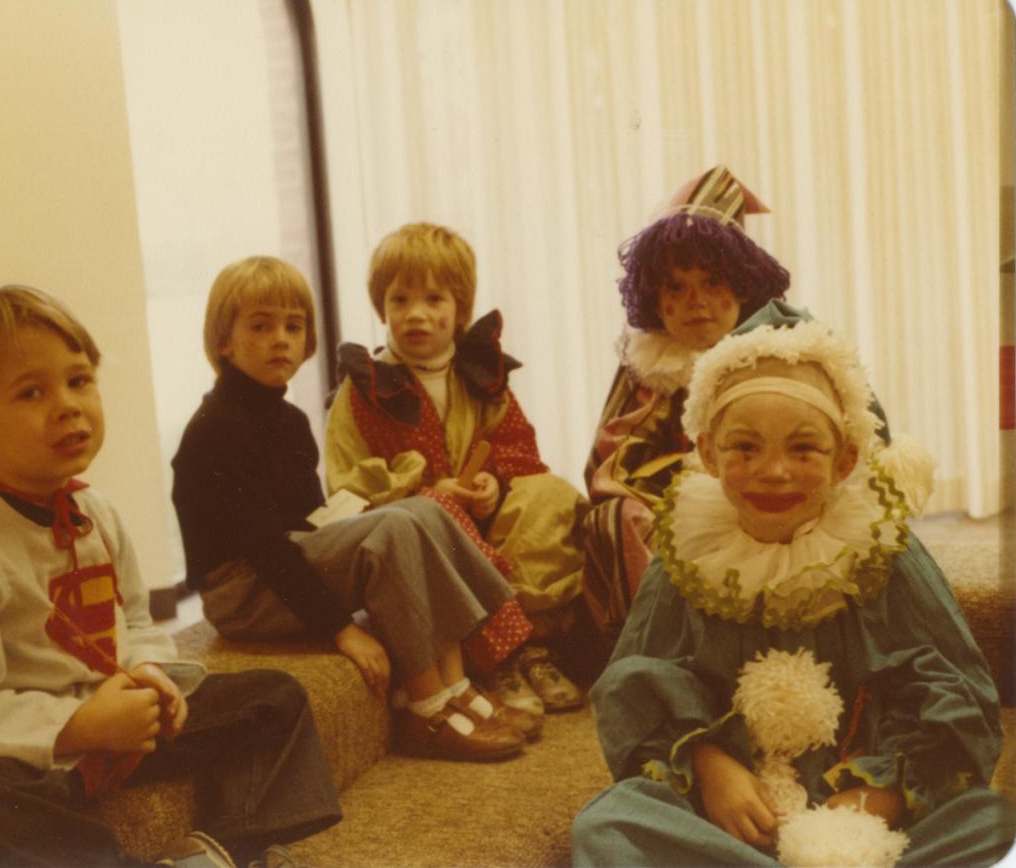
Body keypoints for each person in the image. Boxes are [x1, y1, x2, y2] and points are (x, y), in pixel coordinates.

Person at [0, 285, 342, 868]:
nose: (67, 405)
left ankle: (227, 850)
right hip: (30, 755)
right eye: (31, 392)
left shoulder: (98, 514)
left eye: (79, 381)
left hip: (115, 726)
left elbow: (136, 621)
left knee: (276, 698)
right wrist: (78, 725)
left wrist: (147, 672)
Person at [570, 310, 1015, 867]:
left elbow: (956, 690)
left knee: (993, 822)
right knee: (610, 825)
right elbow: (635, 683)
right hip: (734, 811)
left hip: (867, 813)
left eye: (804, 450)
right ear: (708, 454)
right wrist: (710, 765)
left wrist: (885, 796)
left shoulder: (886, 557)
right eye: (745, 448)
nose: (773, 471)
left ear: (844, 460)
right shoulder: (684, 560)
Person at [171, 256, 538, 764]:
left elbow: (310, 522)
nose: (281, 338)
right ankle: (425, 703)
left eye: (293, 326)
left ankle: (456, 686)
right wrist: (341, 627)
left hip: (282, 561)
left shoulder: (291, 421)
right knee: (390, 528)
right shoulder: (218, 428)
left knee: (425, 510)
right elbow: (267, 549)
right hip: (241, 591)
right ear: (224, 341)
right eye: (261, 326)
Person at [322, 222, 590, 715]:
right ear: (382, 307)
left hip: (487, 523)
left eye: (433, 300)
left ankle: (532, 645)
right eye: (399, 300)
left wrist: (495, 482)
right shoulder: (363, 390)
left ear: (459, 309)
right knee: (435, 509)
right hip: (415, 531)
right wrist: (423, 486)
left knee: (548, 494)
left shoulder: (479, 376)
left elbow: (517, 446)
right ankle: (495, 659)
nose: (416, 315)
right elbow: (346, 486)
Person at [578, 165, 791, 651]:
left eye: (712, 283)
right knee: (614, 520)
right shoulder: (650, 366)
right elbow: (606, 463)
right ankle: (655, 651)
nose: (696, 302)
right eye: (676, 288)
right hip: (663, 501)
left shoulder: (774, 352)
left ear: (741, 286)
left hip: (756, 492)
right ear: (656, 300)